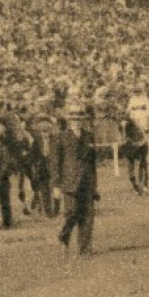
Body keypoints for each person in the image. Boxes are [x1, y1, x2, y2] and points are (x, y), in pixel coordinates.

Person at [57, 102, 97, 256]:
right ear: (69, 120)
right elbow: (56, 162)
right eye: (74, 118)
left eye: (80, 118)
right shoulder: (61, 137)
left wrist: (95, 184)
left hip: (87, 180)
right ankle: (64, 234)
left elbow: (93, 162)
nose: (77, 121)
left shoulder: (89, 136)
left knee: (88, 214)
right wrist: (56, 185)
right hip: (69, 181)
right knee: (72, 212)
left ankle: (85, 248)